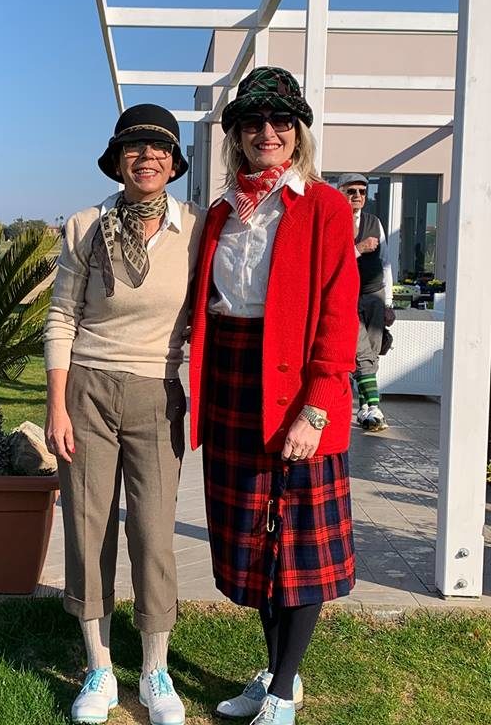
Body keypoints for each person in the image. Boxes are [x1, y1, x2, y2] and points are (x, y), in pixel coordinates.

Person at [187, 67, 359, 725]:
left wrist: (316, 409)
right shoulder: (220, 213)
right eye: (253, 122)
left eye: (281, 121)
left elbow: (339, 316)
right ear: (235, 135)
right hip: (233, 383)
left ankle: (284, 689)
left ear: (298, 133)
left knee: (301, 547)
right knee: (258, 546)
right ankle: (275, 671)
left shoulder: (326, 207)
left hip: (298, 390)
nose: (268, 132)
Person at [44, 104, 205, 725]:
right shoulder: (86, 225)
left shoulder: (195, 227)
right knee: (88, 529)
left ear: (174, 162)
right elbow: (62, 315)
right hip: (87, 389)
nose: (147, 157)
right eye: (134, 148)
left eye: (159, 148)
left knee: (154, 533)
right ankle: (100, 667)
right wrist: (57, 406)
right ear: (117, 160)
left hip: (158, 392)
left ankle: (156, 670)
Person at [337, 173, 396, 431]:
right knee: (360, 351)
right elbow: (331, 261)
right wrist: (358, 248)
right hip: (346, 297)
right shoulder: (334, 221)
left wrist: (389, 304)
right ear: (340, 192)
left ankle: (364, 409)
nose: (358, 196)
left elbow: (386, 262)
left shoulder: (374, 222)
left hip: (374, 294)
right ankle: (374, 407)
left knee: (372, 351)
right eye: (352, 191)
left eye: (363, 191)